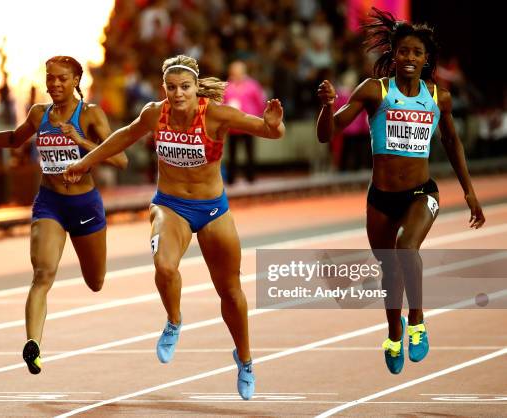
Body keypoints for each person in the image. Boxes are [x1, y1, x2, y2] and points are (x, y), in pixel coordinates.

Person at [64, 55, 284, 399]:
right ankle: (174, 320)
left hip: (212, 209)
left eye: (185, 87)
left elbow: (270, 131)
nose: (178, 94)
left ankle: (244, 360)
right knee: (164, 266)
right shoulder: (156, 113)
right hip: (170, 205)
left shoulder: (216, 115)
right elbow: (123, 136)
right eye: (171, 87)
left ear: (197, 88)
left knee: (230, 291)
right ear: (163, 89)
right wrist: (85, 160)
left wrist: (274, 124)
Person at [316, 8, 485, 375]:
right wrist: (328, 106)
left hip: (422, 193)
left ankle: (418, 321)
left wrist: (469, 192)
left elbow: (453, 142)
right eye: (404, 52)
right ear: (394, 55)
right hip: (381, 197)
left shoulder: (438, 97)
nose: (410, 58)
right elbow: (326, 134)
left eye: (417, 53)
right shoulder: (374, 91)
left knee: (406, 249)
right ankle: (395, 331)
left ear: (427, 60)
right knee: (389, 271)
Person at [0, 56, 128, 375]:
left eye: (62, 79)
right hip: (49, 203)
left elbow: (120, 160)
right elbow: (13, 138)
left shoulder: (90, 114)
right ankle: (33, 344)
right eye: (50, 78)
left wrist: (80, 141)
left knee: (96, 282)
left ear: (76, 80)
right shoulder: (39, 114)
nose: (54, 84)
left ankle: (38, 336)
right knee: (42, 274)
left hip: (85, 206)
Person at [223, 60, 266, 184]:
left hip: (249, 124)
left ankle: (251, 177)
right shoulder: (227, 86)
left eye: (238, 71)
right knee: (232, 154)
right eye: (233, 71)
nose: (235, 73)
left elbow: (260, 103)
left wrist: (258, 119)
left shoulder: (253, 85)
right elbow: (221, 103)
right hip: (233, 126)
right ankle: (231, 179)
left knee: (250, 152)